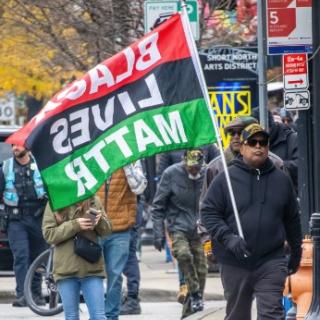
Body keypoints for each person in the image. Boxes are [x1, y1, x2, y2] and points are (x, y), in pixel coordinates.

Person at [201, 123, 302, 320]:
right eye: (253, 142)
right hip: (234, 260)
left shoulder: (281, 179)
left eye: (263, 142)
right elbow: (208, 213)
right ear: (244, 147)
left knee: (272, 313)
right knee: (238, 315)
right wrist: (229, 238)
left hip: (271, 259)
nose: (259, 147)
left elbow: (292, 219)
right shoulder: (226, 179)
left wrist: (296, 253)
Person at [152, 149, 207, 319]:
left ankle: (191, 308)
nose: (194, 170)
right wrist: (158, 234)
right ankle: (195, 292)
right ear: (184, 162)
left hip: (199, 228)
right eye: (190, 167)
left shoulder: (206, 173)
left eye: (196, 167)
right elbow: (158, 206)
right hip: (178, 226)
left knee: (202, 269)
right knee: (183, 254)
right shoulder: (171, 174)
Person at [42, 196, 112, 320]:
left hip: (91, 267)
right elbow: (49, 235)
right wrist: (75, 225)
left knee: (99, 316)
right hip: (66, 269)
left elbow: (107, 231)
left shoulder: (93, 200)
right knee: (72, 316)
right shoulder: (55, 201)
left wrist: (99, 222)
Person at [98, 161, 147, 320]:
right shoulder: (92, 153)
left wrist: (126, 164)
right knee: (92, 275)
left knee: (115, 274)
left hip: (120, 229)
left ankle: (111, 316)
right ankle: (97, 315)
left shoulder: (131, 158)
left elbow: (139, 187)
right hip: (94, 228)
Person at [0, 144, 48, 307]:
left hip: (38, 217)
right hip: (16, 219)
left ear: (27, 147)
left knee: (38, 257)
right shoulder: (6, 167)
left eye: (19, 145)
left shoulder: (40, 165)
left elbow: (50, 189)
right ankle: (23, 294)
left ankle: (36, 294)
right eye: (13, 145)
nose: (15, 148)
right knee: (21, 256)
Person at [251, 108, 298, 190]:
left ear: (270, 126)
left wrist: (274, 165)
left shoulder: (292, 138)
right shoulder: (252, 143)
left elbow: (301, 167)